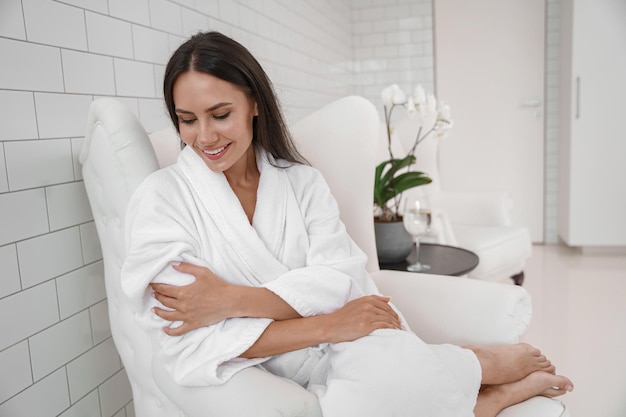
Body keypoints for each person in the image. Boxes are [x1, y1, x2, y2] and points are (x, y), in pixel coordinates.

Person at [121, 31, 573, 417]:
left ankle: (469, 373)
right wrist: (327, 325)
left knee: (382, 370)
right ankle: (482, 383)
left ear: (254, 104)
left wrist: (231, 299)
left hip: (353, 341)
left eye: (220, 115)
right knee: (373, 395)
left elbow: (340, 280)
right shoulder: (162, 200)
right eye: (187, 120)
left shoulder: (300, 182)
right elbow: (188, 336)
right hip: (265, 361)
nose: (205, 136)